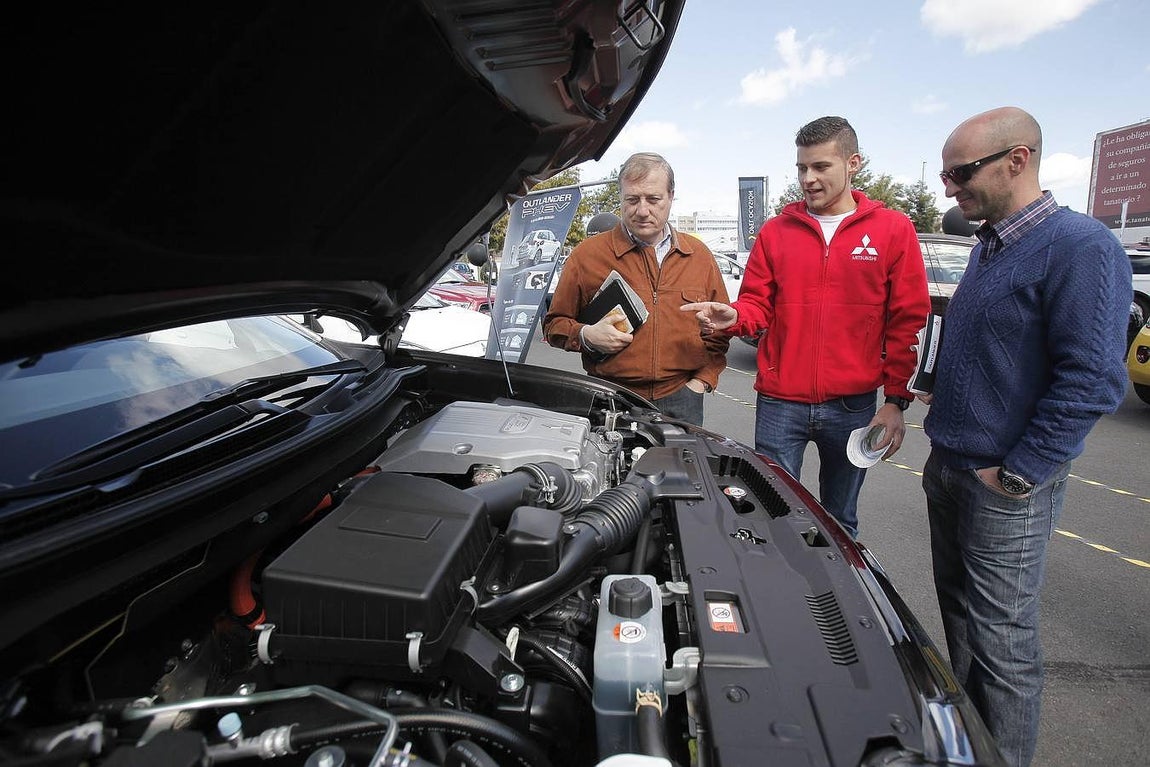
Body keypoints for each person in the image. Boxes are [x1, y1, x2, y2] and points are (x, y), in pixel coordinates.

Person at [920, 106, 1130, 767]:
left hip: (1001, 486)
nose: (948, 187)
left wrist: (1018, 472)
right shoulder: (991, 243)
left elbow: (1093, 381)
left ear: (1018, 159)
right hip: (951, 467)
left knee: (1002, 644)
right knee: (961, 623)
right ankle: (970, 744)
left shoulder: (1082, 248)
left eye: (960, 172)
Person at [681, 116, 929, 538]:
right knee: (770, 515)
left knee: (840, 521)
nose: (808, 179)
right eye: (801, 168)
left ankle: (839, 603)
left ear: (854, 164)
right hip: (781, 403)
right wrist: (736, 317)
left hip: (852, 406)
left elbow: (908, 322)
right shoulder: (776, 232)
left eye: (820, 167)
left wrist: (896, 401)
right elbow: (758, 304)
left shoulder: (892, 229)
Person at [543, 152, 730, 426]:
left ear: (671, 197)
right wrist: (585, 334)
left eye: (653, 199)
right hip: (610, 398)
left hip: (682, 399)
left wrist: (702, 381)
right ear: (621, 198)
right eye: (632, 199)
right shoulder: (587, 256)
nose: (642, 210)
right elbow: (553, 325)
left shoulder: (698, 255)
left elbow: (721, 330)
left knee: (681, 469)